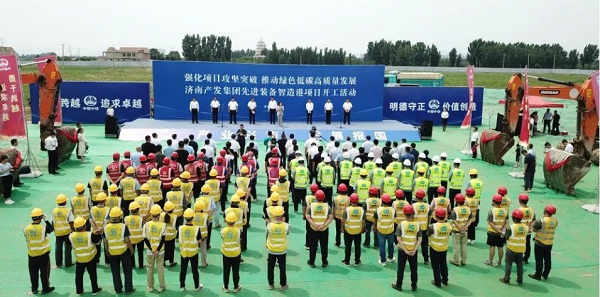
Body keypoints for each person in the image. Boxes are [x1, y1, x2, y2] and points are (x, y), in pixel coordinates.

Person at [104, 207, 135, 294]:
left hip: (112, 252)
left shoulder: (106, 227)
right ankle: (128, 289)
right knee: (127, 271)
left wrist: (107, 250)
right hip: (123, 251)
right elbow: (127, 240)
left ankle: (118, 289)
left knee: (115, 272)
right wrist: (131, 249)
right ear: (120, 216)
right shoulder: (123, 226)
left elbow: (105, 241)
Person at [25, 208, 56, 295]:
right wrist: (46, 220)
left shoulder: (26, 228)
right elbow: (51, 229)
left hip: (31, 254)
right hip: (43, 254)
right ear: (41, 217)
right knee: (44, 272)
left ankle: (34, 288)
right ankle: (45, 288)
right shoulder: (43, 228)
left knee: (33, 272)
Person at [70, 217, 103, 295]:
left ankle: (79, 290)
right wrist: (98, 234)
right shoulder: (89, 235)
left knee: (79, 275)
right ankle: (95, 289)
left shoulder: (71, 236)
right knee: (92, 275)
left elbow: (68, 244)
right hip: (90, 258)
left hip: (79, 259)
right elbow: (97, 241)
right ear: (84, 226)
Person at [392, 204, 421, 292]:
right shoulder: (417, 225)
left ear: (404, 214)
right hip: (413, 251)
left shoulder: (401, 225)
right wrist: (414, 250)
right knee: (414, 269)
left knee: (401, 268)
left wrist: (405, 250)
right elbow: (420, 239)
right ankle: (414, 285)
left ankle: (399, 285)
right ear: (413, 214)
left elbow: (398, 239)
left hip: (402, 251)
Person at [529, 205, 558, 281]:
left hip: (540, 243)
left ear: (545, 211)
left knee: (539, 260)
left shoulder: (541, 221)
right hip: (549, 243)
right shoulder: (555, 221)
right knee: (547, 259)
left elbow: (535, 230)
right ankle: (545, 274)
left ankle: (538, 274)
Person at [306, 190, 333, 268]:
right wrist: (323, 226)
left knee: (313, 246)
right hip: (324, 230)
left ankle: (311, 262)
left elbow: (308, 217)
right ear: (324, 197)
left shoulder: (311, 206)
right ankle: (324, 261)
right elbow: (330, 218)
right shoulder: (327, 207)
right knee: (324, 246)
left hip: (313, 229)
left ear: (316, 197)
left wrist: (314, 225)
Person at [499, 209, 528, 285]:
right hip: (521, 250)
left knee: (508, 264)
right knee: (520, 265)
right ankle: (520, 279)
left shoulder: (510, 227)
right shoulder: (526, 227)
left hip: (511, 249)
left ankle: (507, 278)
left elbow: (507, 237)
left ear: (513, 218)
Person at [179, 208, 204, 291]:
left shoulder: (180, 228)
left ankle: (182, 286)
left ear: (184, 218)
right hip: (193, 252)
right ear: (193, 217)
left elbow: (177, 239)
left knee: (183, 270)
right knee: (194, 270)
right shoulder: (196, 228)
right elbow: (200, 241)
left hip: (184, 252)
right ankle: (197, 286)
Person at [266, 206, 289, 291]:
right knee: (282, 268)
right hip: (282, 250)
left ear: (274, 215)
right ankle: (283, 285)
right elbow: (287, 233)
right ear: (283, 214)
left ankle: (271, 284)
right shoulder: (286, 226)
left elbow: (267, 233)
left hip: (271, 250)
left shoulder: (269, 225)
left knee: (270, 268)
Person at [144, 205, 167, 293]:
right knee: (160, 268)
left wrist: (152, 249)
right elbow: (163, 239)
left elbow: (145, 238)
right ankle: (161, 286)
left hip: (150, 251)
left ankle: (150, 286)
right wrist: (157, 250)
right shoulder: (163, 225)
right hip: (160, 251)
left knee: (150, 268)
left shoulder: (146, 225)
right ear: (159, 214)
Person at [221, 212, 243, 293]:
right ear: (235, 221)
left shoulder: (223, 230)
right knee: (235, 271)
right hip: (236, 254)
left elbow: (222, 237)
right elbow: (240, 239)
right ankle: (236, 287)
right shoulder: (239, 231)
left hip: (226, 253)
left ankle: (226, 287)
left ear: (226, 221)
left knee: (226, 271)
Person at [449, 194, 471, 266]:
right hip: (465, 231)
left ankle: (456, 261)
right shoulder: (468, 209)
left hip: (456, 231)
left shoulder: (455, 210)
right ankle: (463, 260)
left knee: (456, 247)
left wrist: (459, 228)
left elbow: (454, 221)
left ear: (456, 201)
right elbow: (470, 219)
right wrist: (465, 227)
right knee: (464, 246)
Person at [485, 194, 508, 267]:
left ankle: (490, 261)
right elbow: (507, 222)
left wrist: (497, 230)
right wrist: (502, 230)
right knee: (500, 247)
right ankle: (499, 262)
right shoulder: (505, 211)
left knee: (492, 246)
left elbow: (491, 223)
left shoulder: (491, 211)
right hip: (501, 233)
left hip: (492, 232)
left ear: (493, 201)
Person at [374, 194, 396, 266]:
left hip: (381, 230)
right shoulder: (393, 210)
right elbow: (394, 218)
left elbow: (375, 219)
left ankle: (383, 261)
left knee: (382, 246)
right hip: (390, 230)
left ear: (382, 202)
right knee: (390, 245)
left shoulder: (378, 210)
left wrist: (374, 227)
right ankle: (390, 257)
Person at [52, 194, 74, 268]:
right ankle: (68, 263)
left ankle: (58, 263)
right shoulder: (68, 211)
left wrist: (54, 230)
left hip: (58, 232)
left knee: (58, 248)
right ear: (65, 202)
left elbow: (53, 221)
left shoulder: (54, 211)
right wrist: (73, 231)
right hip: (67, 232)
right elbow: (71, 222)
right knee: (68, 247)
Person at [125, 202, 145, 270]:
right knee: (140, 252)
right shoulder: (140, 218)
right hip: (139, 238)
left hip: (130, 238)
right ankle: (141, 265)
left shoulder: (126, 218)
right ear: (137, 210)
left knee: (131, 251)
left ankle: (132, 264)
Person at [413, 189, 430, 264]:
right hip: (424, 228)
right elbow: (429, 216)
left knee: (414, 244)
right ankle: (426, 259)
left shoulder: (413, 206)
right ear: (424, 197)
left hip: (416, 228)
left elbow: (411, 216)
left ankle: (412, 258)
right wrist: (427, 225)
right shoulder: (428, 206)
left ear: (416, 197)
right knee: (424, 245)